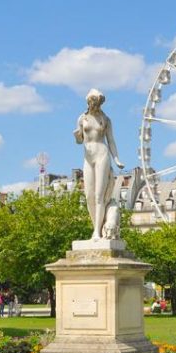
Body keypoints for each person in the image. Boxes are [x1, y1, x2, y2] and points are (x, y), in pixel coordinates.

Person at [74, 88, 125, 240]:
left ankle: (96, 232)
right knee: (89, 196)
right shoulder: (82, 119)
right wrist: (76, 135)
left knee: (99, 196)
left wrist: (116, 159)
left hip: (102, 154)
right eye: (92, 103)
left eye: (97, 103)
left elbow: (111, 140)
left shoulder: (106, 120)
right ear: (88, 102)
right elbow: (79, 140)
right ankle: (97, 226)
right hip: (88, 157)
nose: (94, 106)